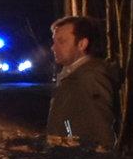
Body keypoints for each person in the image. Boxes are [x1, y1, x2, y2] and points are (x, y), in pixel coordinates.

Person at [46, 14, 118, 149]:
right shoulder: (70, 76)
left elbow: (101, 130)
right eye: (54, 41)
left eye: (61, 41)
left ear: (82, 44)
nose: (53, 47)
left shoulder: (91, 76)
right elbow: (68, 123)